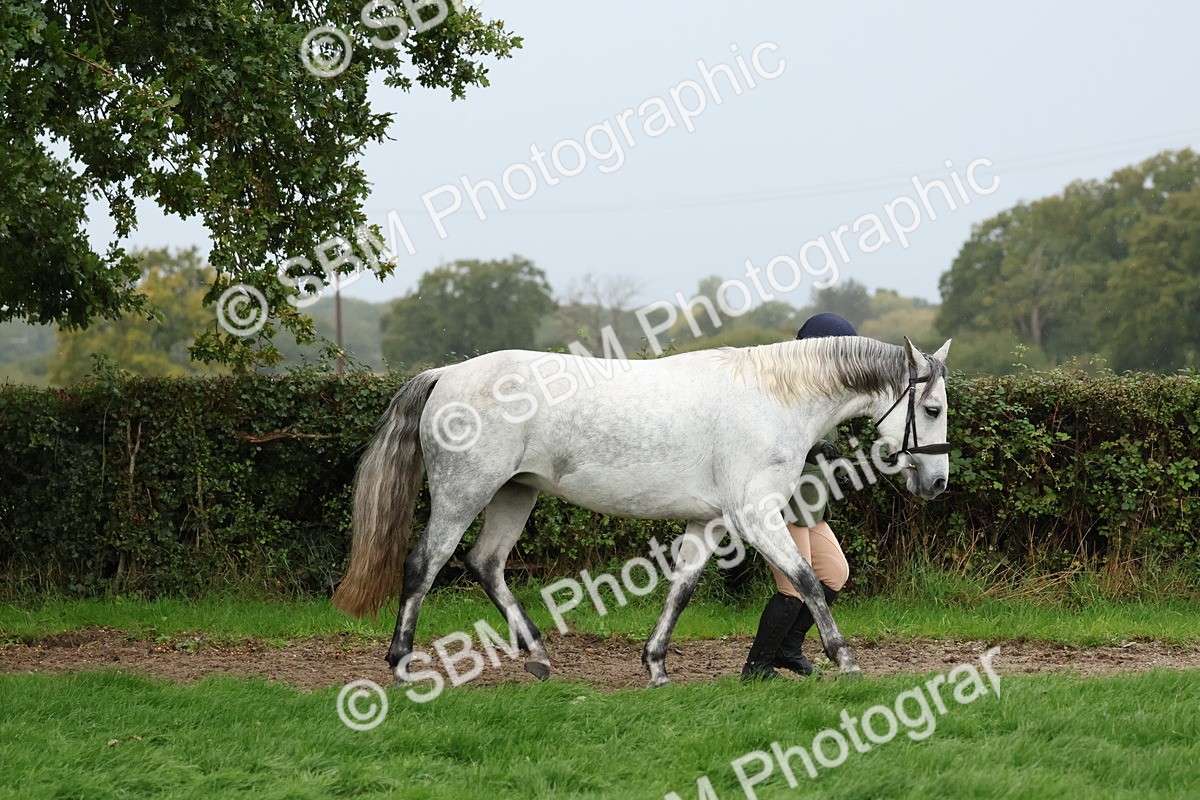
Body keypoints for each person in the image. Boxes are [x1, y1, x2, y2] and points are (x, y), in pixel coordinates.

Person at [741, 312, 856, 681]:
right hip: (781, 497)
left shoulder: (822, 389)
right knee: (793, 583)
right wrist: (816, 449)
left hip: (809, 501)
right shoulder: (784, 387)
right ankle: (756, 667)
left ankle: (788, 650)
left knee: (835, 573)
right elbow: (774, 441)